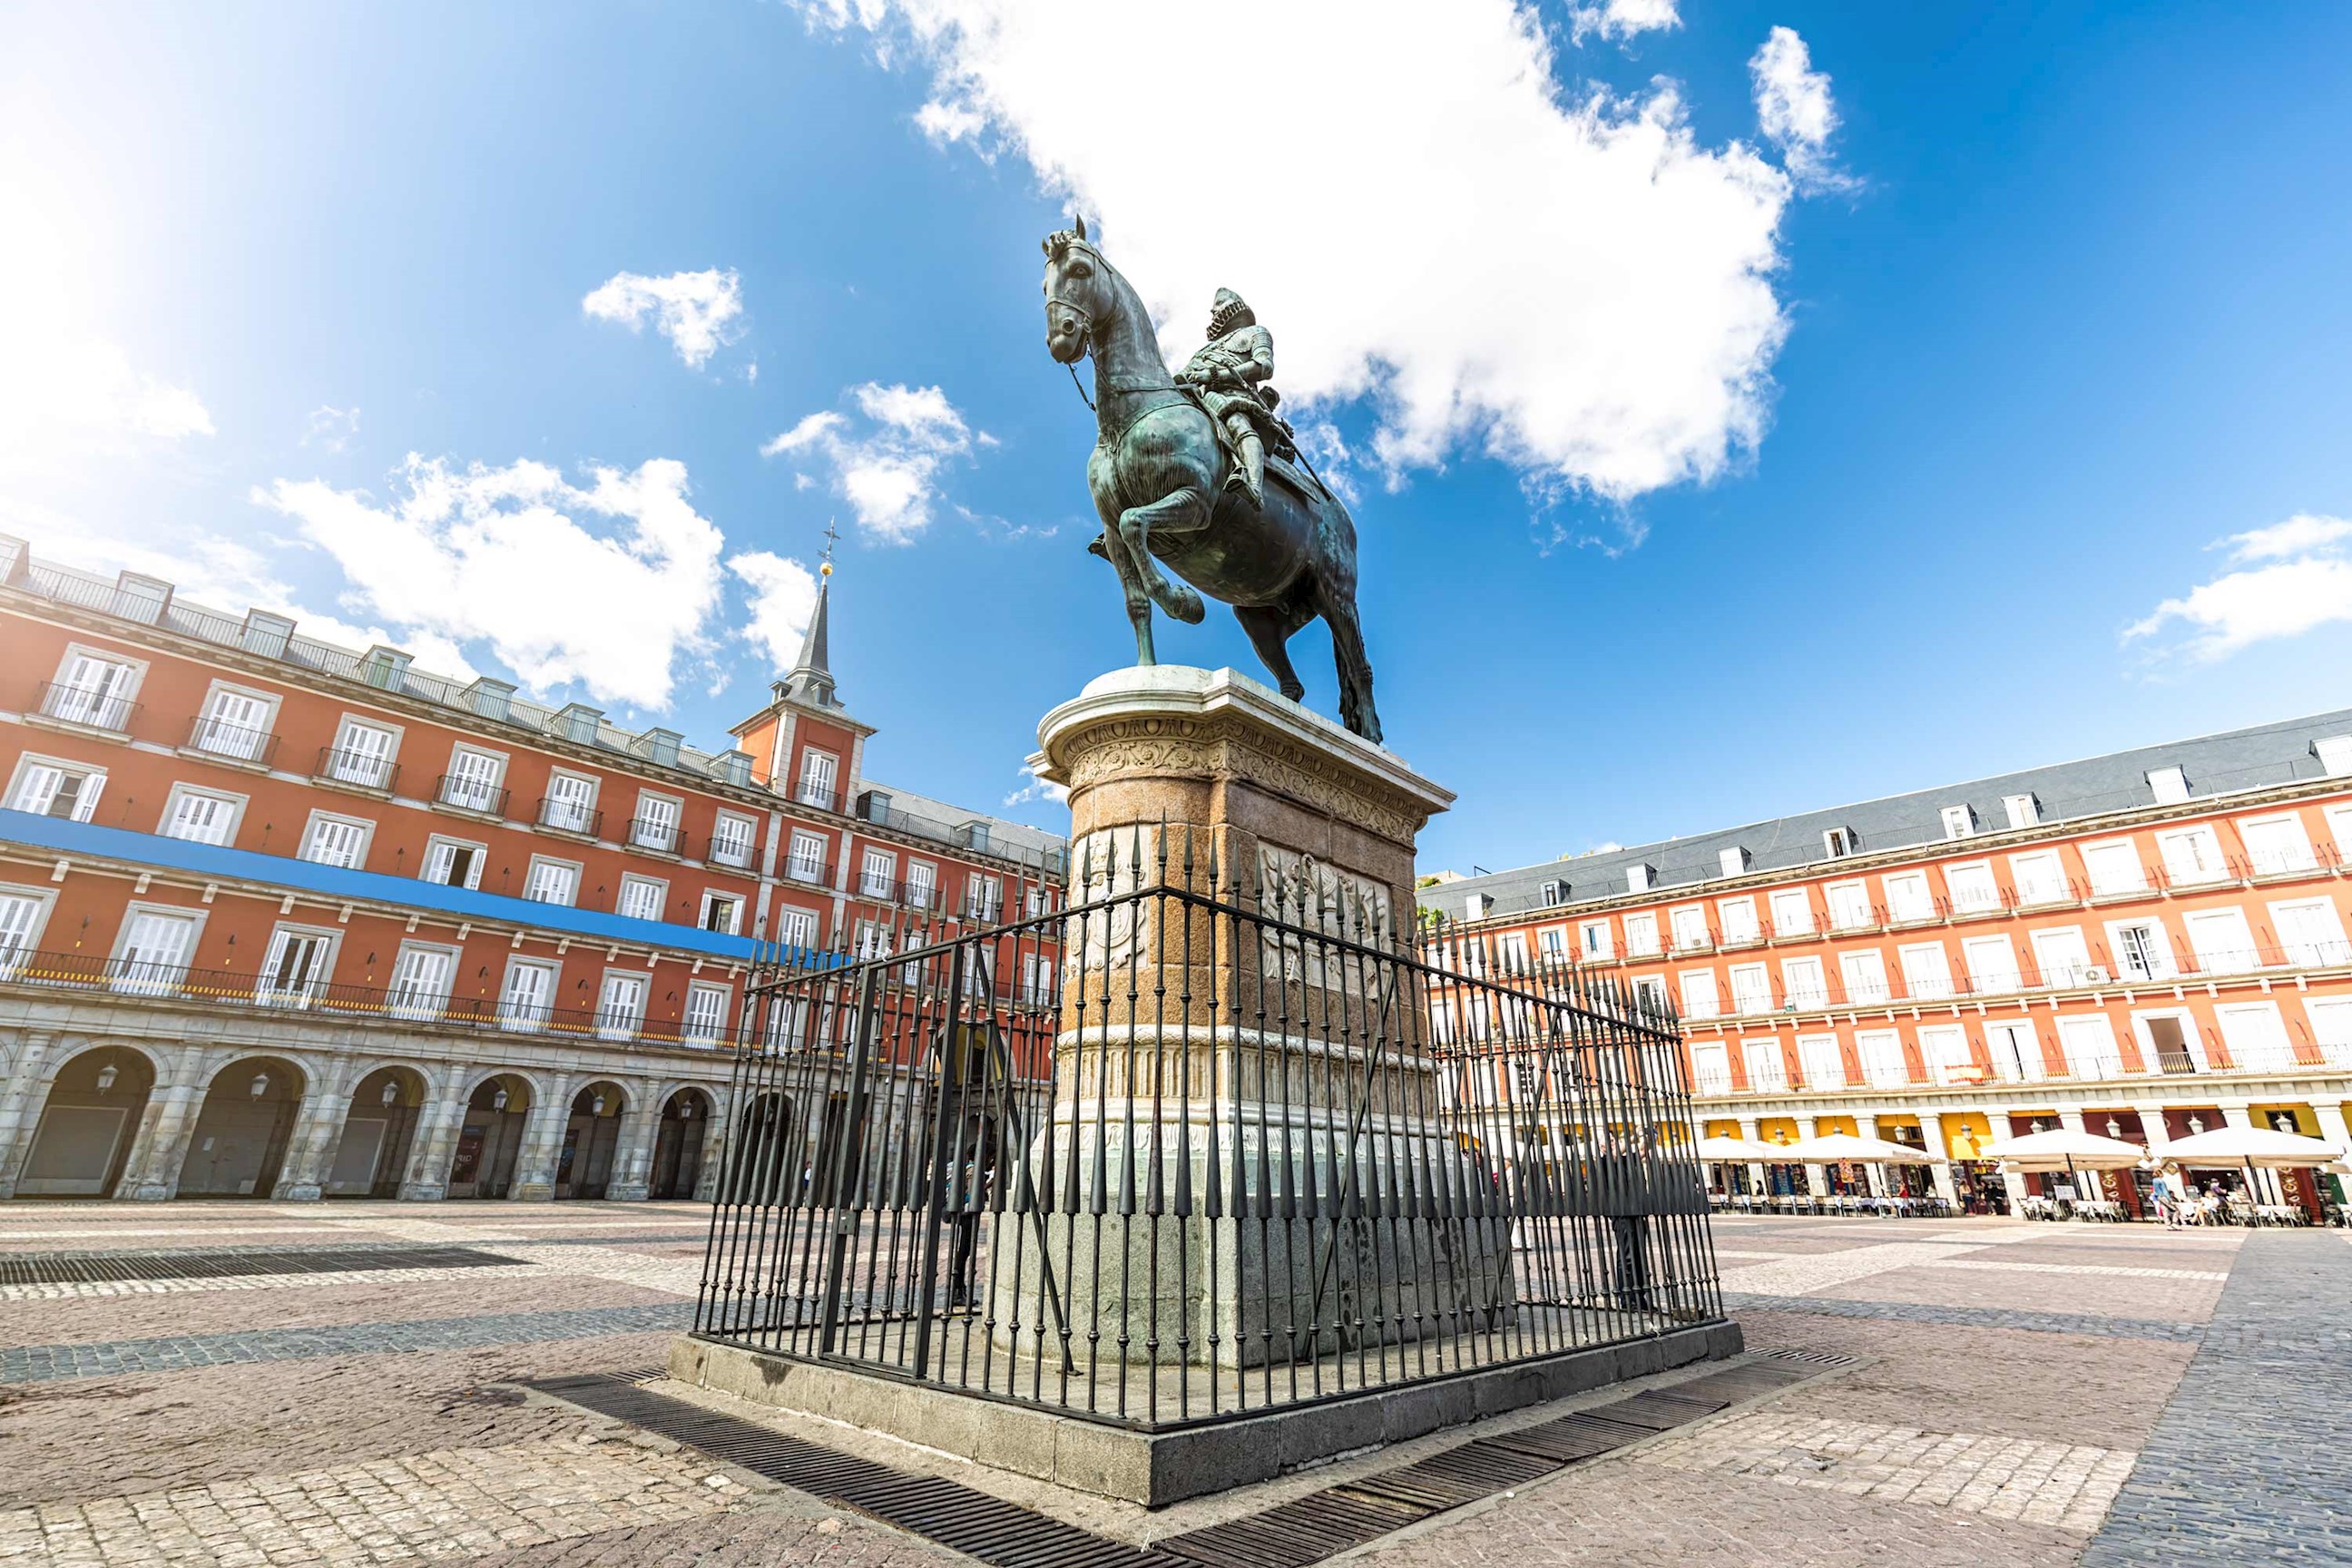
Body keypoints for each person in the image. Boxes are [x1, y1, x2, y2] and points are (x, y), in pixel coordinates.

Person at [1176, 289, 1284, 508]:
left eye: (1219, 304)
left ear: (1235, 305)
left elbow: (1265, 366)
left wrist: (1214, 376)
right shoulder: (1204, 350)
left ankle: (1253, 485)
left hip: (1232, 396)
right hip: (1197, 399)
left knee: (1237, 423)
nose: (1213, 310)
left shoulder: (1257, 332)